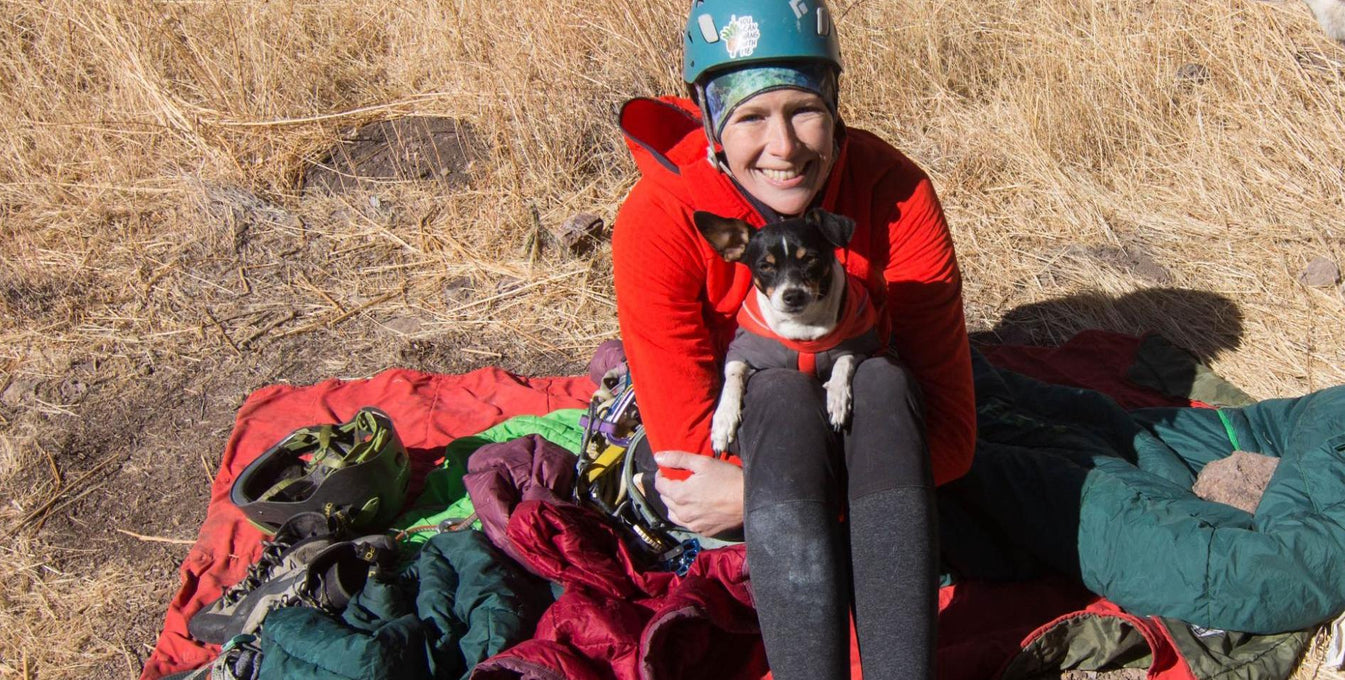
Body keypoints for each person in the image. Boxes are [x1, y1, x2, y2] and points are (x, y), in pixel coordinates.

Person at [610, 0, 977, 677]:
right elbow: (690, 469)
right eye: (750, 116)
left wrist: (766, 496)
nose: (782, 147)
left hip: (868, 429)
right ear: (714, 120)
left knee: (880, 379)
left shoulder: (893, 192)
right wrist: (841, 492)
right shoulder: (660, 221)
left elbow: (952, 440)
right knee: (777, 395)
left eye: (803, 109)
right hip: (789, 437)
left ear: (835, 107)